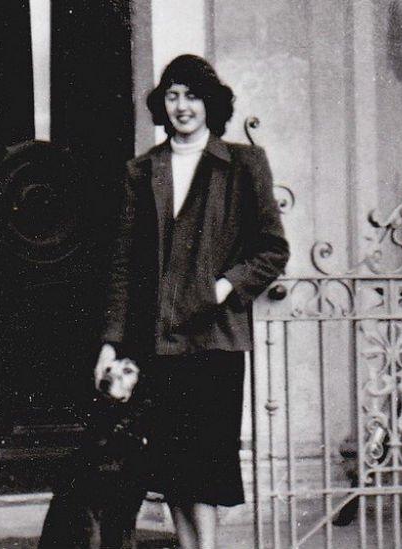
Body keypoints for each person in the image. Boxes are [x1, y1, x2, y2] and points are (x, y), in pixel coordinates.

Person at [99, 54, 289, 549]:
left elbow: (272, 250)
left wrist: (223, 288)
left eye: (192, 95)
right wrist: (111, 342)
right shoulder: (142, 171)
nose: (182, 106)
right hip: (155, 340)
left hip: (214, 342)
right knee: (172, 466)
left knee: (202, 465)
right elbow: (122, 265)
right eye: (173, 95)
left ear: (211, 102)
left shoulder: (244, 165)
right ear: (162, 104)